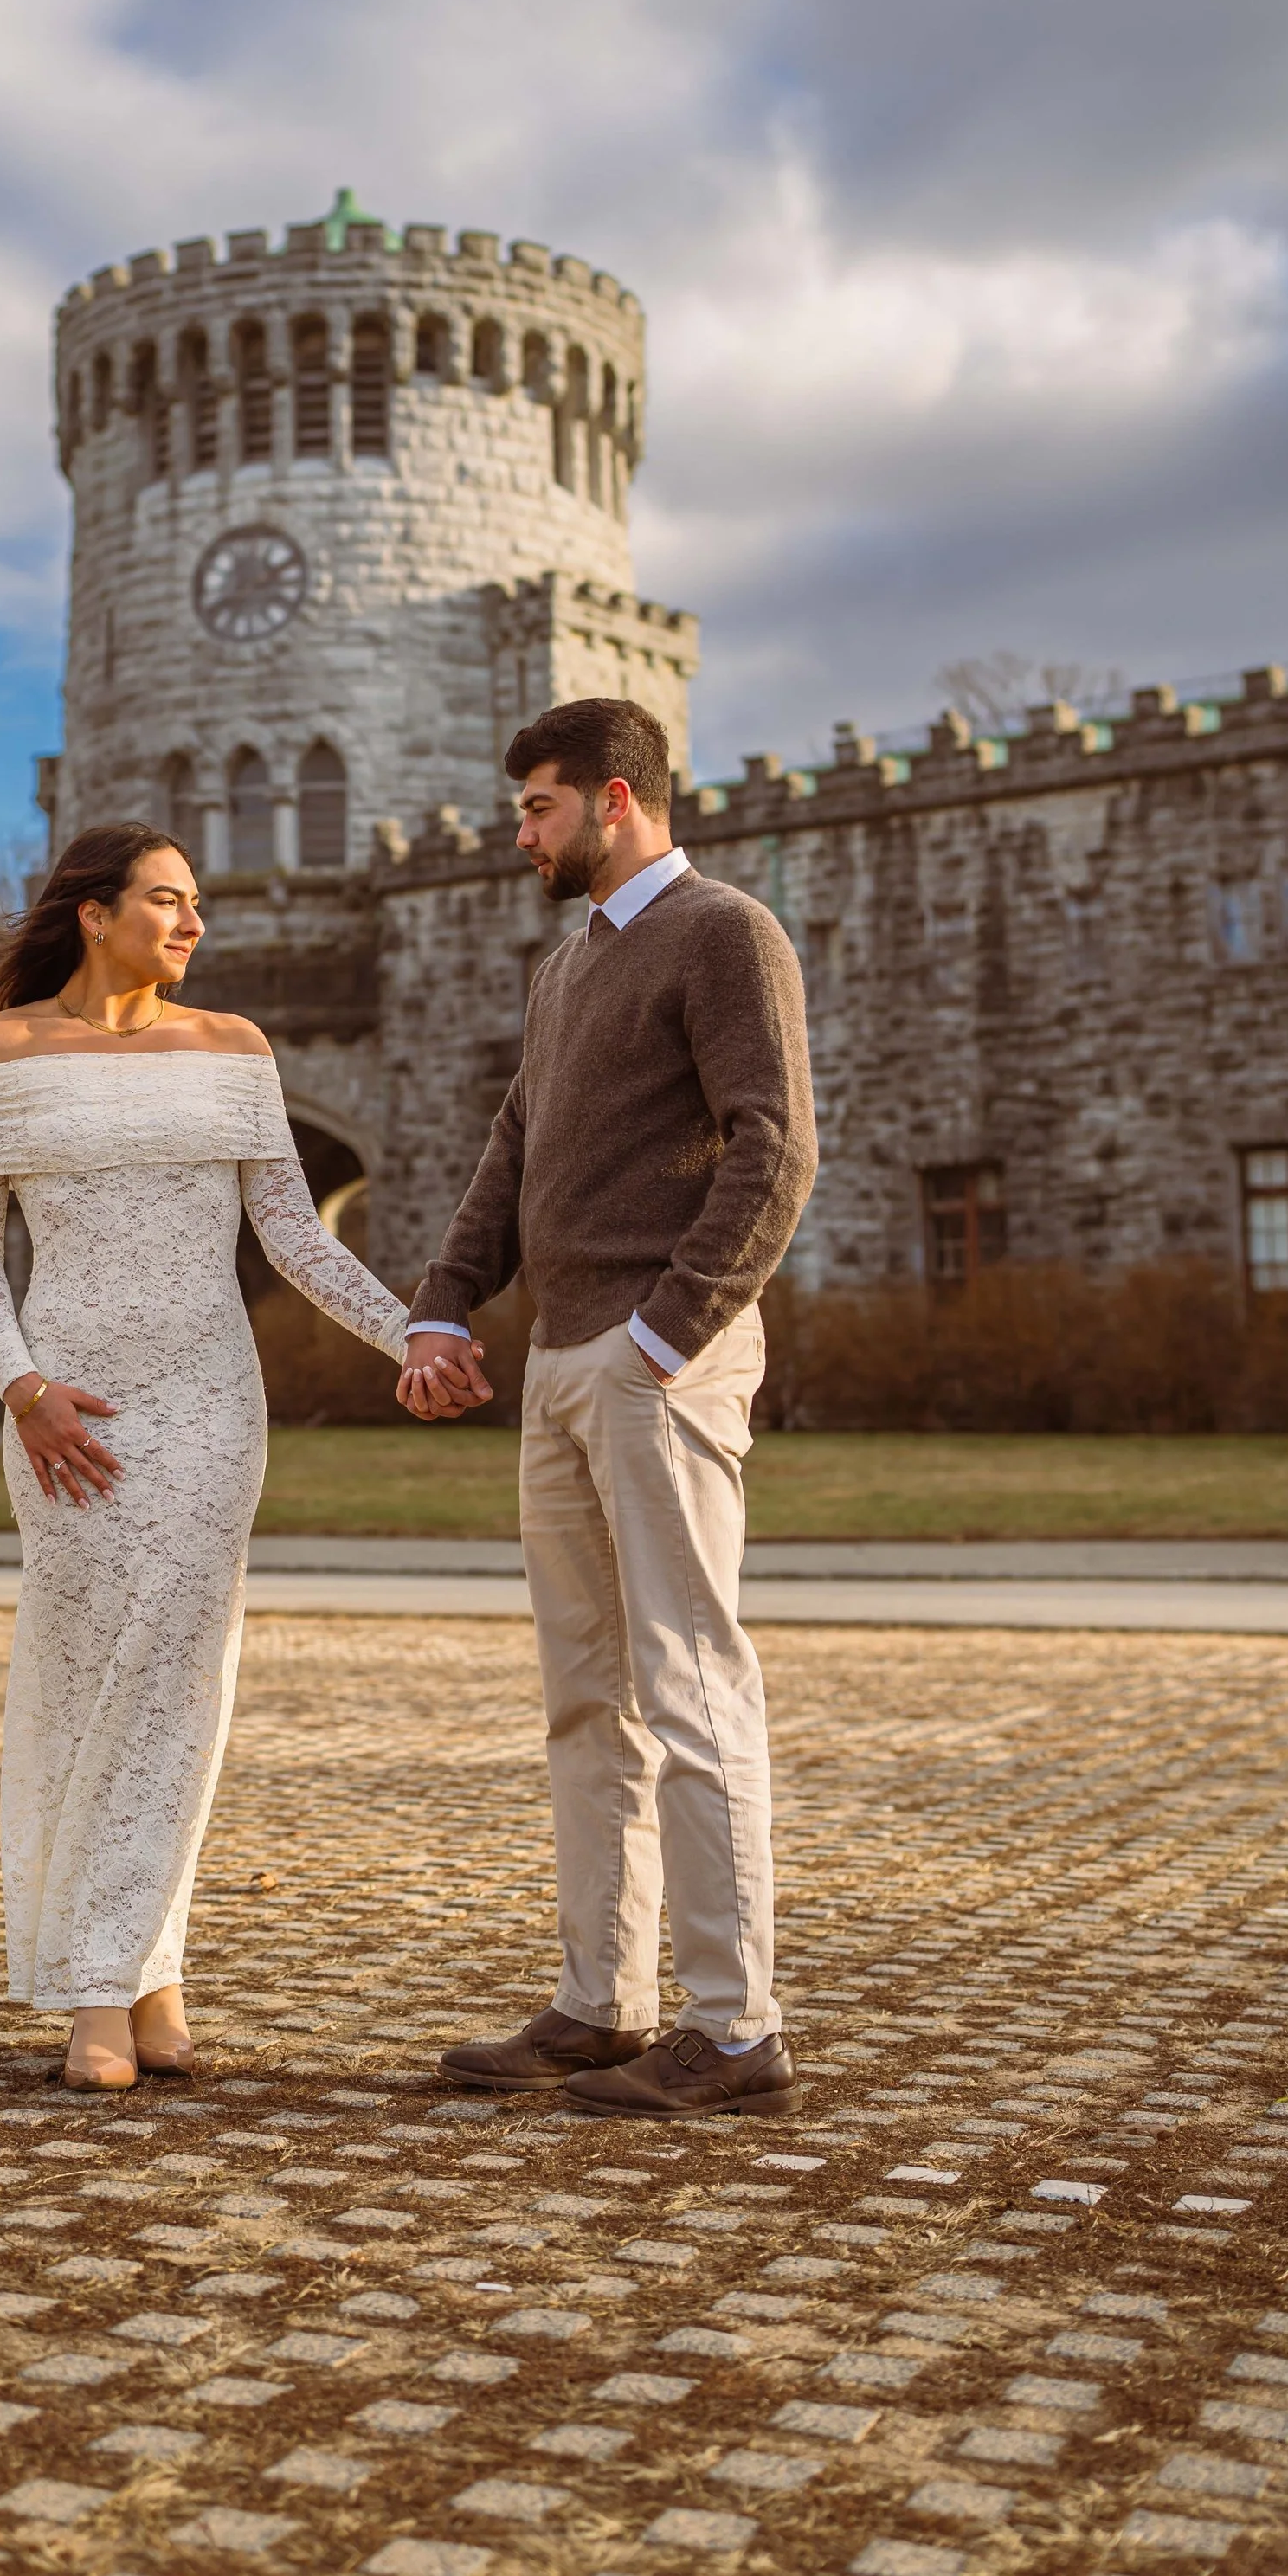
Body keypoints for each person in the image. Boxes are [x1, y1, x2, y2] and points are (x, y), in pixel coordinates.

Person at [0, 822, 412, 2092]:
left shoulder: (236, 1051)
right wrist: (25, 1387)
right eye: (167, 900)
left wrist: (408, 1333)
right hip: (67, 1411)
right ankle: (130, 1977)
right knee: (89, 1677)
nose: (194, 922)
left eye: (197, 902)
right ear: (94, 914)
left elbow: (296, 1239)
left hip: (211, 1404)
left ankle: (116, 1971)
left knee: (177, 1689)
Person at [398, 698, 816, 2118]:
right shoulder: (565, 968)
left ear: (617, 798)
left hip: (661, 1359)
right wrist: (447, 1300)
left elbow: (777, 1146)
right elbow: (516, 1146)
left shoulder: (724, 931)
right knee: (588, 1699)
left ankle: (738, 2026)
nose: (520, 833)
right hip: (563, 1362)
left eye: (539, 808)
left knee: (691, 1681)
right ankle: (602, 2002)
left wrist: (668, 1328)